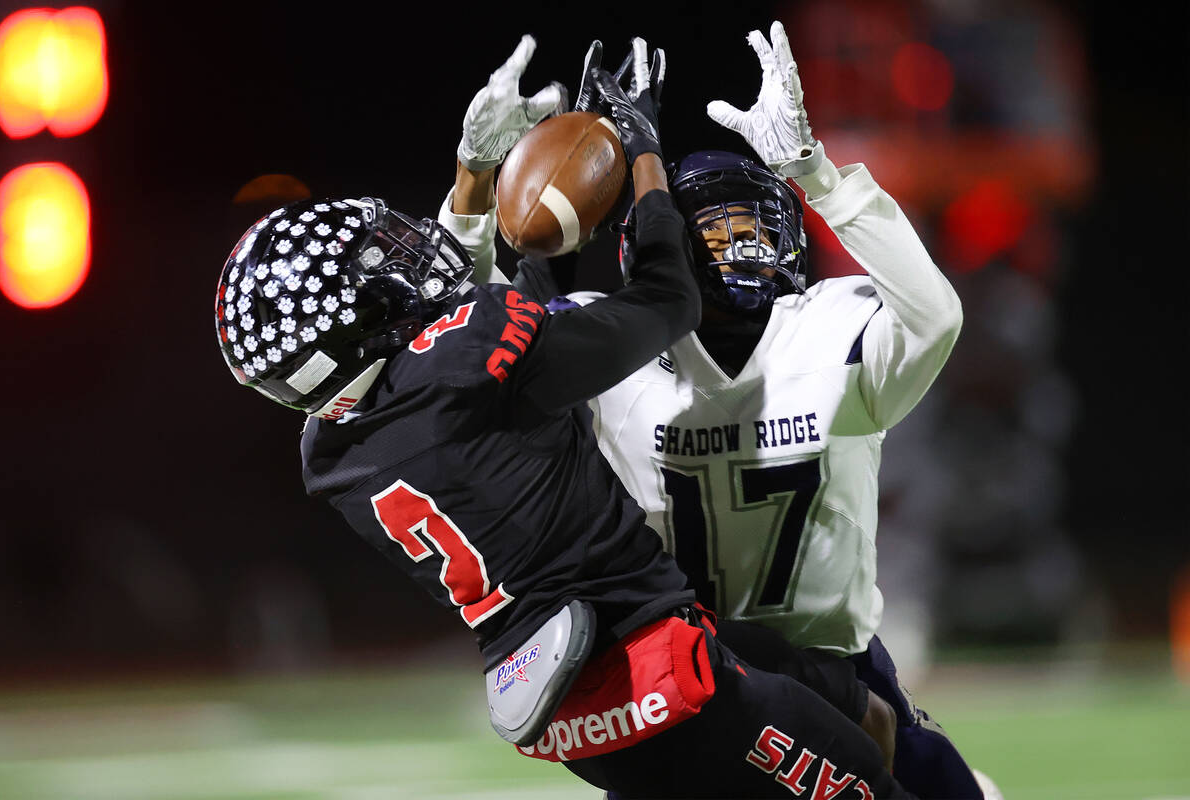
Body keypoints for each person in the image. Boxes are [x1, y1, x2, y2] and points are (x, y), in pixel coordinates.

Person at [213, 35, 914, 799]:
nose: (405, 255)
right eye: (377, 266)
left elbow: (503, 329)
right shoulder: (460, 365)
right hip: (658, 673)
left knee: (865, 716)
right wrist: (640, 148)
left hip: (564, 702)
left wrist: (481, 177)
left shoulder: (332, 451)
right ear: (351, 322)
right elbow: (663, 302)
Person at [457, 24, 999, 800]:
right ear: (664, 244)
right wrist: (477, 184)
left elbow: (937, 318)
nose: (738, 242)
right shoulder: (613, 347)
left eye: (751, 221)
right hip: (682, 673)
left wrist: (813, 170)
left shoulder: (828, 325)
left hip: (829, 659)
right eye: (711, 228)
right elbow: (465, 349)